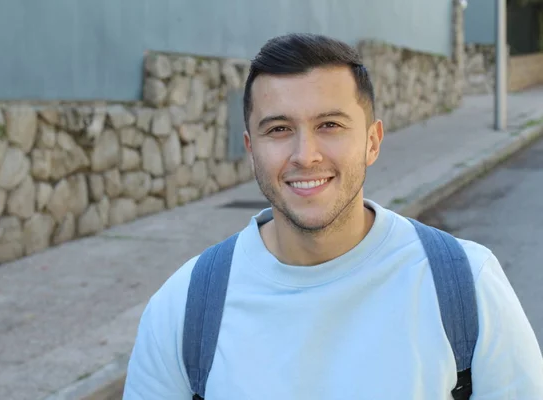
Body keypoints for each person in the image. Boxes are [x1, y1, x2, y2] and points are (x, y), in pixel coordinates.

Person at [122, 33, 543, 399]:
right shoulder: (183, 309)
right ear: (251, 150)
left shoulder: (466, 286)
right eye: (279, 129)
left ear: (373, 142)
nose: (306, 155)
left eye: (330, 125)